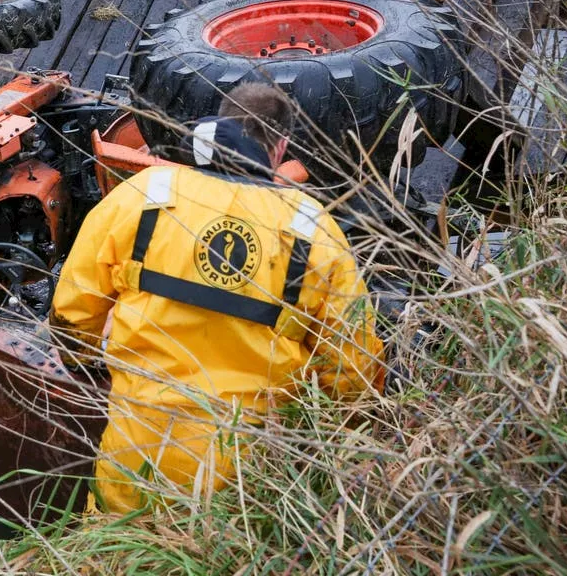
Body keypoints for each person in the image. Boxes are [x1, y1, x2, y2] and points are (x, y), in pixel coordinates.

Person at [49, 82, 385, 513]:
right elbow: (351, 365)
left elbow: (74, 313)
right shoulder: (313, 229)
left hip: (138, 451)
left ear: (220, 124)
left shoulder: (147, 193)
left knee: (112, 549)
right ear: (280, 147)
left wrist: (86, 362)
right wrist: (345, 432)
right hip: (250, 473)